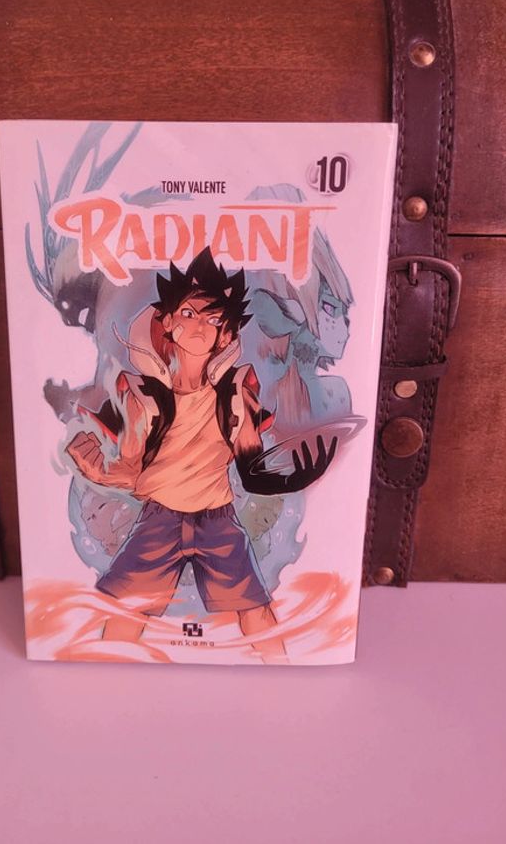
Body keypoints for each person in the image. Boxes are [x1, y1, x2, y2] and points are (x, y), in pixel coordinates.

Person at [66, 248, 336, 662]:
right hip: (159, 520)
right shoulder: (141, 395)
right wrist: (95, 470)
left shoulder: (236, 393)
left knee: (255, 611)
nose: (199, 326)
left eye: (213, 320)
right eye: (189, 314)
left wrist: (295, 477)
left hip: (218, 522)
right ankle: (102, 674)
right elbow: (130, 473)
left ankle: (282, 669)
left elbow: (251, 471)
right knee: (128, 611)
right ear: (168, 322)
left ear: (226, 335)